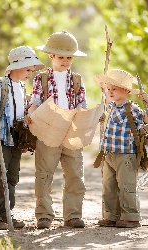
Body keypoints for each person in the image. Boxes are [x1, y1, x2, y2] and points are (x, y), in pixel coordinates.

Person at [25, 31, 87, 229]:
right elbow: (35, 102)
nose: (66, 61)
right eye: (61, 57)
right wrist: (30, 115)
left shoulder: (77, 80)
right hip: (48, 131)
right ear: (51, 56)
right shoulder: (40, 79)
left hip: (71, 131)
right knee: (44, 173)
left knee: (75, 174)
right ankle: (44, 214)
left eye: (69, 58)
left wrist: (87, 118)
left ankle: (73, 214)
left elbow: (81, 105)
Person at [0, 46, 44, 230]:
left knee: (11, 177)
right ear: (15, 67)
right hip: (0, 139)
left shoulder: (22, 88)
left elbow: (20, 114)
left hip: (15, 140)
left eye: (32, 70)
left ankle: (6, 213)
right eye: (27, 69)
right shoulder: (0, 85)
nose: (30, 74)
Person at [93, 69, 148, 228]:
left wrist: (147, 104)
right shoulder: (111, 106)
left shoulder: (131, 108)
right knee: (108, 186)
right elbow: (105, 102)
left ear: (126, 91)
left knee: (126, 186)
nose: (110, 92)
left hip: (126, 155)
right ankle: (111, 215)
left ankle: (131, 216)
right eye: (109, 89)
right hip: (109, 154)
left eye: (114, 89)